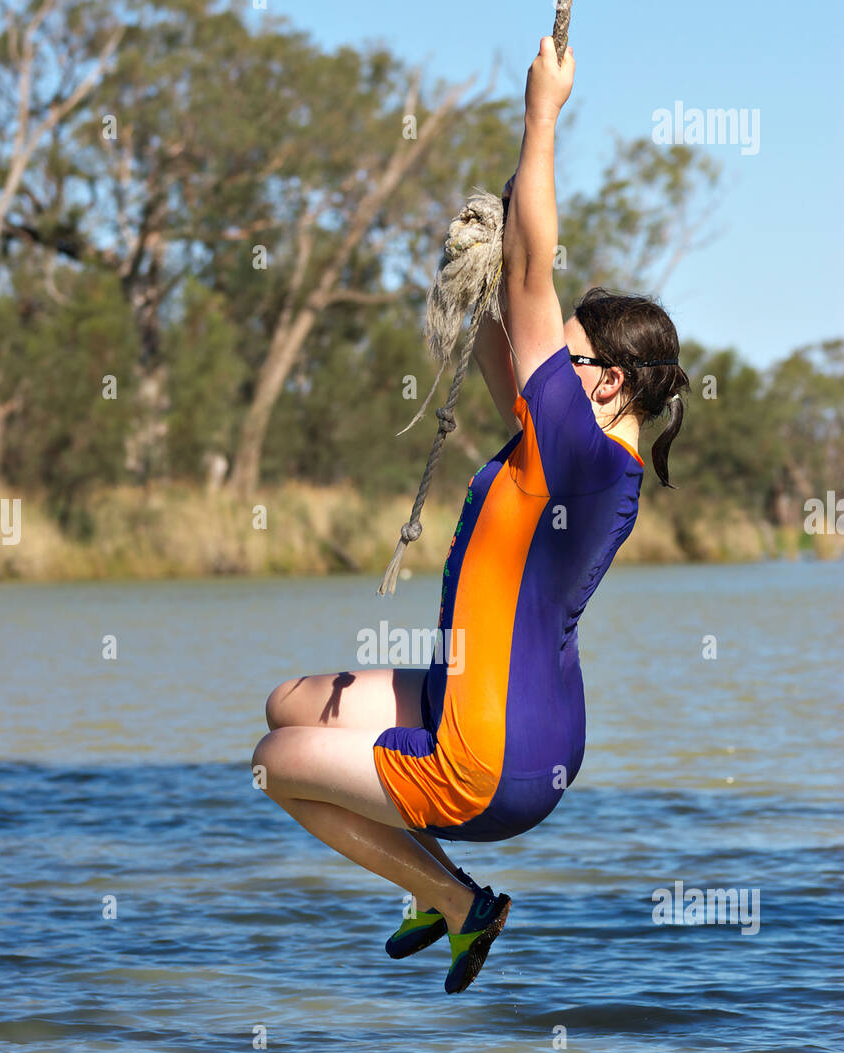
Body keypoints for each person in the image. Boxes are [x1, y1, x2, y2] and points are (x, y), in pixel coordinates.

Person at [252, 35, 690, 994]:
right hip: (520, 723)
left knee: (277, 760)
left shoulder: (579, 447)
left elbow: (533, 280)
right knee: (296, 700)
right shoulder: (566, 449)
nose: (548, 356)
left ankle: (458, 902)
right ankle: (429, 884)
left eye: (568, 353)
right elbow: (509, 313)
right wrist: (483, 250)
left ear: (606, 383)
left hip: (494, 760)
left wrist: (543, 115)